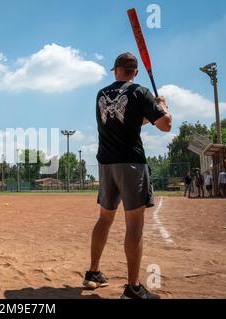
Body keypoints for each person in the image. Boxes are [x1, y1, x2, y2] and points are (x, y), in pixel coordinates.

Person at [84, 52, 172, 299]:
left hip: (105, 164)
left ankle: (93, 272)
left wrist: (150, 111)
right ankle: (133, 288)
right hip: (131, 164)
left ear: (116, 70)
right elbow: (165, 125)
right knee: (135, 224)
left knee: (105, 218)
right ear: (135, 72)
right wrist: (162, 106)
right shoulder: (139, 92)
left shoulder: (101, 94)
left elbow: (129, 120)